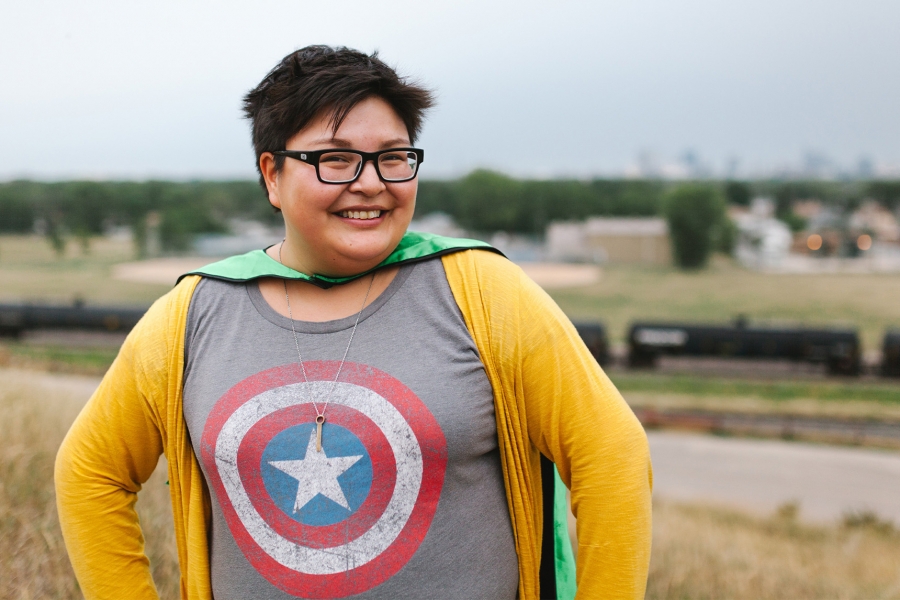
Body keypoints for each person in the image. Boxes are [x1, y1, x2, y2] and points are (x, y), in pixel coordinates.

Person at [56, 45, 652, 600]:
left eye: (393, 157)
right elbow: (90, 474)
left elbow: (613, 458)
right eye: (335, 159)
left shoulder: (485, 292)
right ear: (271, 174)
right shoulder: (191, 315)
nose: (371, 183)